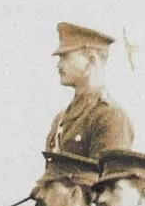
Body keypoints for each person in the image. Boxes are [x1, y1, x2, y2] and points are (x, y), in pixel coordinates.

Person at [45, 22, 133, 158]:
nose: (59, 65)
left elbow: (109, 176)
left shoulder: (109, 116)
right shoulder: (61, 119)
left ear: (91, 61)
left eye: (65, 57)